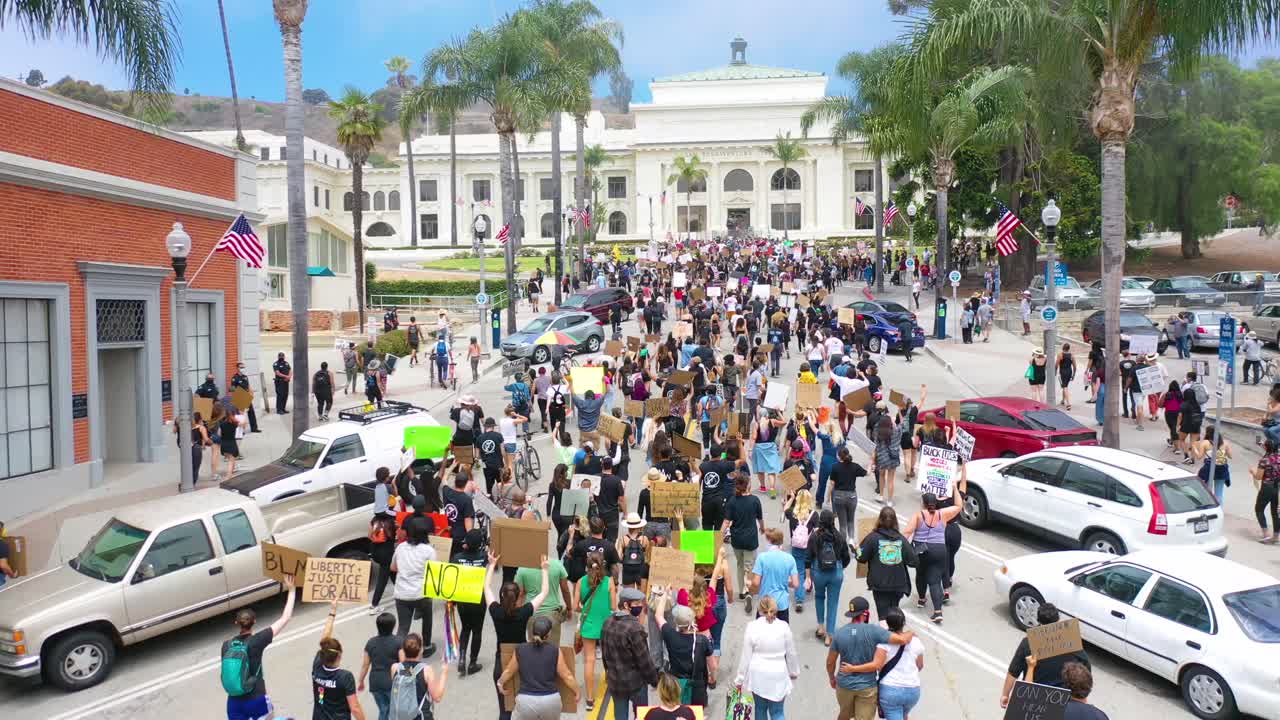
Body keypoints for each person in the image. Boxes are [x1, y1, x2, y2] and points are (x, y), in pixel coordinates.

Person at [485, 550, 551, 720]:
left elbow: (486, 587)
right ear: (518, 596)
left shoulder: (496, 611)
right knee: (523, 707)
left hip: (501, 662)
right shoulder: (523, 612)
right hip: (522, 661)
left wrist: (492, 565)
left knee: (505, 709)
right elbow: (544, 592)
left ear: (502, 596)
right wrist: (544, 569)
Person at [222, 575, 296, 720]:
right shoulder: (257, 641)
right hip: (256, 698)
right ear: (254, 621)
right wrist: (292, 590)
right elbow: (285, 618)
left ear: (236, 622)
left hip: (233, 702)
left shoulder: (226, 645)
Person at [827, 596, 914, 720]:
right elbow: (902, 640)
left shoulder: (839, 633)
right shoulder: (874, 631)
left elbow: (830, 662)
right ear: (865, 613)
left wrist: (832, 678)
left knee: (844, 715)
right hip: (867, 687)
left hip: (844, 685)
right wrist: (911, 633)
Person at [1000, 603, 1091, 705]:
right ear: (1058, 620)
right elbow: (1086, 669)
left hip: (1035, 698)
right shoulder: (1070, 642)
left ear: (1039, 621)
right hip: (1061, 700)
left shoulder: (1028, 643)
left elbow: (1013, 672)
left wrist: (1005, 695)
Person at [496, 615, 579, 720]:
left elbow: (508, 671)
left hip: (526, 702)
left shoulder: (520, 649)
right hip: (551, 702)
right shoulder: (555, 650)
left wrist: (500, 683)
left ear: (532, 631)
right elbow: (567, 675)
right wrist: (577, 691)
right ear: (548, 634)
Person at [902, 490, 964, 624]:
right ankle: (937, 612)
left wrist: (897, 549)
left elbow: (907, 532)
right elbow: (959, 506)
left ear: (923, 504)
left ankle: (922, 599)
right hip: (940, 550)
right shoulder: (943, 514)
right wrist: (954, 487)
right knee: (935, 581)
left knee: (921, 575)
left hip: (922, 550)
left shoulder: (918, 516)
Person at [735, 595, 799, 720]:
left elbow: (746, 656)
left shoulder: (752, 627)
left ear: (759, 610)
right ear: (776, 610)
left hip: (758, 675)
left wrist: (740, 679)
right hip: (778, 674)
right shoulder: (784, 627)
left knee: (760, 709)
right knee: (778, 712)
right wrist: (794, 671)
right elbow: (791, 653)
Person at [652, 594, 714, 706]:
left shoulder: (671, 635)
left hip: (677, 686)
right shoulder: (702, 641)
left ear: (677, 623)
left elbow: (658, 616)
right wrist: (712, 677)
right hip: (697, 688)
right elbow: (712, 665)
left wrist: (665, 594)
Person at [856, 507, 914, 621]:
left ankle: (886, 636)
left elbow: (861, 557)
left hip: (880, 585)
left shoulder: (872, 538)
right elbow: (913, 561)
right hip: (898, 584)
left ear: (880, 520)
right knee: (894, 613)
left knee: (883, 615)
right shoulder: (901, 539)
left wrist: (857, 548)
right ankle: (893, 633)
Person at [313, 598, 366, 720]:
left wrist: (332, 612)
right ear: (339, 656)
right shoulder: (345, 677)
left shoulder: (317, 664)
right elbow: (355, 708)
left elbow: (325, 638)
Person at [391, 518, 437, 657]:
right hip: (422, 593)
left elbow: (393, 568)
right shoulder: (429, 550)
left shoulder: (400, 547)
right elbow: (434, 572)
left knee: (403, 626)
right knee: (427, 619)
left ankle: (398, 653)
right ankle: (427, 646)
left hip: (402, 593)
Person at [722, 474, 765, 614]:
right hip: (751, 538)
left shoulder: (732, 501)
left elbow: (726, 522)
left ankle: (741, 590)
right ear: (748, 485)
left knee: (740, 564)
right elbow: (760, 518)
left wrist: (718, 536)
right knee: (750, 566)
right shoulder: (754, 500)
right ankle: (747, 591)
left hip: (737, 538)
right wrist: (763, 528)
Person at [807, 509, 851, 643]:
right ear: (833, 521)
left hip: (818, 572)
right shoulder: (839, 537)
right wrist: (839, 568)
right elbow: (846, 558)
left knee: (819, 597)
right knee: (833, 602)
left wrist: (808, 576)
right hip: (835, 573)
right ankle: (830, 635)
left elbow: (808, 557)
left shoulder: (814, 536)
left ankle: (820, 627)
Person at [872, 607, 925, 720]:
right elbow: (920, 666)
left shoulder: (883, 642)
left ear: (887, 623)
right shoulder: (915, 641)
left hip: (890, 691)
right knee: (903, 715)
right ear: (904, 623)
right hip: (913, 691)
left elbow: (878, 666)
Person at [452, 529, 491, 676]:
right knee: (477, 630)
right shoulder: (483, 557)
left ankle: (461, 659)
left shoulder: (457, 558)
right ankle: (473, 662)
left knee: (465, 628)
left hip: (462, 598)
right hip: (478, 598)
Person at [386, 634, 447, 720]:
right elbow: (437, 697)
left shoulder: (395, 668)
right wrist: (444, 673)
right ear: (421, 650)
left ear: (403, 650)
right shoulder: (426, 670)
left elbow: (410, 674)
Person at [749, 528, 799, 623]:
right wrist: (785, 582)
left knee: (761, 634)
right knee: (781, 634)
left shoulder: (762, 558)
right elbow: (795, 584)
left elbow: (756, 582)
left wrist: (749, 586)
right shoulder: (790, 558)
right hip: (781, 604)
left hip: (765, 603)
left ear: (769, 541)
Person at [357, 612, 400, 720]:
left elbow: (365, 665)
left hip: (375, 683)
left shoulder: (371, 642)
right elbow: (404, 664)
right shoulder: (398, 642)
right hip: (392, 683)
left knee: (384, 710)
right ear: (393, 626)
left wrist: (361, 681)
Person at [828, 446, 866, 542]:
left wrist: (828, 496)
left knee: (842, 523)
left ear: (839, 457)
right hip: (852, 496)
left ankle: (842, 543)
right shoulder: (855, 466)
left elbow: (832, 484)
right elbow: (867, 473)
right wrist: (870, 464)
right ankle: (852, 540)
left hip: (839, 496)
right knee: (851, 519)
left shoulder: (835, 467)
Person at [1250, 440, 1280, 542]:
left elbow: (1258, 477)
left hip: (1267, 487)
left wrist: (1252, 471)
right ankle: (1276, 536)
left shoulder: (1265, 460)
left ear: (1267, 448)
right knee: (1275, 512)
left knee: (1259, 509)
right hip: (1277, 487)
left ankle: (1266, 533)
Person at [1192, 426, 1232, 502]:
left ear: (1208, 433)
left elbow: (1199, 457)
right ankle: (1219, 509)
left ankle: (1208, 507)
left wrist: (1194, 447)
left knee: (1206, 490)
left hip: (1209, 468)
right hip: (1222, 468)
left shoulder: (1205, 443)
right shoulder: (1225, 443)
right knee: (1219, 493)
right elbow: (1230, 456)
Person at [230, 362, 261, 432]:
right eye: (241, 367)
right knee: (241, 414)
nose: (242, 369)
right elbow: (232, 389)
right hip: (240, 397)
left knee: (251, 412)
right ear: (237, 368)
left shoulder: (245, 377)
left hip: (246, 397)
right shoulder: (234, 378)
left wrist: (251, 393)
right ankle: (241, 431)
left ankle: (254, 428)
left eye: (243, 367)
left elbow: (248, 386)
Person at [1057, 344, 1076, 410]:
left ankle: (1068, 403)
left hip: (1063, 372)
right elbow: (1075, 366)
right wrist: (1073, 375)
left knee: (1065, 387)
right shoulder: (1072, 355)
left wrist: (1055, 371)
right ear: (1069, 348)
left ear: (1063, 348)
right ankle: (1063, 400)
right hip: (1069, 372)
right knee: (1065, 385)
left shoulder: (1060, 355)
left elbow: (1056, 364)